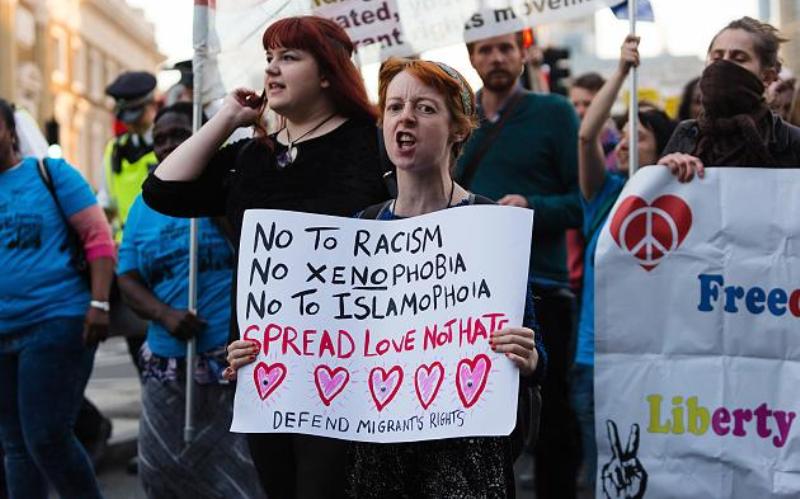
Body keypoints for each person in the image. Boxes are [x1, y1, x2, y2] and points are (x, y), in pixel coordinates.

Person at [141, 16, 389, 499]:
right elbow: (163, 191)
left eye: (289, 58)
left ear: (328, 73)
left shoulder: (372, 145)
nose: (272, 70)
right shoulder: (253, 156)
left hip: (351, 368)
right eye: (269, 58)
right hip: (262, 366)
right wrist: (227, 119)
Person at [352, 56, 544, 498]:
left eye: (425, 108)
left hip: (467, 457)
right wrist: (266, 353)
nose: (405, 118)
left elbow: (536, 346)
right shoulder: (362, 228)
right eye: (395, 106)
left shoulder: (490, 222)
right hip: (383, 457)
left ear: (459, 128)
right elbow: (332, 338)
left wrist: (530, 358)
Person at [455, 29, 581, 498]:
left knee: (553, 416)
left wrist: (532, 207)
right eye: (485, 49)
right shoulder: (456, 114)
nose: (496, 57)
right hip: (466, 293)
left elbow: (580, 203)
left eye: (505, 47)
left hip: (541, 286)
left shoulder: (554, 113)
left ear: (524, 54)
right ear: (471, 57)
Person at [117, 102, 263, 499]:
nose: (166, 145)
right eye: (160, 138)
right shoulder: (144, 205)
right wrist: (164, 314)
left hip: (230, 364)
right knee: (163, 473)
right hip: (168, 365)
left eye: (179, 134)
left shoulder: (229, 187)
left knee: (239, 480)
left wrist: (222, 212)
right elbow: (126, 276)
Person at [573, 35, 676, 497]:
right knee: (604, 475)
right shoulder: (604, 195)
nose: (624, 146)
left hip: (658, 363)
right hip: (595, 363)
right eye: (623, 138)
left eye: (641, 137)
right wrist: (619, 71)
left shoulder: (679, 206)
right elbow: (586, 135)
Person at [0, 98, 115, 498]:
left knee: (47, 437)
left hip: (55, 320)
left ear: (11, 130)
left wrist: (99, 303)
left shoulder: (49, 174)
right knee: (15, 447)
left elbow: (98, 238)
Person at [660, 17, 800, 179]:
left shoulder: (790, 141)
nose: (723, 65)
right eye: (716, 58)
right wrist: (665, 171)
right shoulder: (687, 135)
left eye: (739, 59)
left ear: (767, 77)